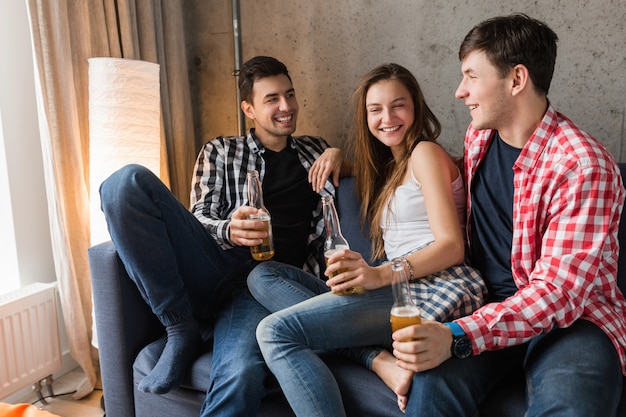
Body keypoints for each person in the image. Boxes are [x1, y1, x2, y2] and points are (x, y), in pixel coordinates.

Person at [391, 14, 626, 417]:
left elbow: (557, 294)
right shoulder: (479, 136)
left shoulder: (583, 165)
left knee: (570, 408)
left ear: (517, 80)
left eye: (471, 76)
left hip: (573, 323)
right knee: (428, 390)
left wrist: (458, 334)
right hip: (489, 306)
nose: (459, 91)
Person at [99, 56, 348, 417]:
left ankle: (201, 333)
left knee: (241, 375)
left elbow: (364, 176)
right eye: (272, 99)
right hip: (215, 267)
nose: (286, 107)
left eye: (289, 95)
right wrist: (230, 228)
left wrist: (340, 154)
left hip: (266, 288)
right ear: (248, 109)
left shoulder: (314, 150)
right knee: (124, 183)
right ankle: (179, 326)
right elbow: (198, 217)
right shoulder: (220, 151)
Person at [247, 63, 486, 417]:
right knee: (262, 276)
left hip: (434, 284)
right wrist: (335, 154)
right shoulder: (393, 167)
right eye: (375, 109)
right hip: (401, 285)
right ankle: (376, 358)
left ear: (416, 107)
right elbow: (355, 167)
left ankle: (373, 357)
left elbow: (452, 246)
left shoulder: (425, 154)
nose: (387, 117)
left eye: (398, 105)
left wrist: (379, 274)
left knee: (274, 332)